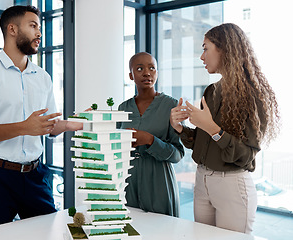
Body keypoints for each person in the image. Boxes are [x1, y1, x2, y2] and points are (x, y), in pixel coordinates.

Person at [0, 5, 81, 228]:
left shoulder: (43, 77)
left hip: (36, 176)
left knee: (47, 232)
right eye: (33, 26)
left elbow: (47, 126)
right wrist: (24, 127)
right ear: (12, 29)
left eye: (40, 27)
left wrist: (69, 125)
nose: (40, 33)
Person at [170, 23, 280, 234]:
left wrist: (212, 129)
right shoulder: (212, 91)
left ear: (224, 49)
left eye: (205, 48)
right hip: (202, 181)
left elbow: (245, 156)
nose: (201, 57)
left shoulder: (253, 96)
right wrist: (180, 128)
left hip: (231, 185)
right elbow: (203, 144)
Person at [117, 52, 184, 217]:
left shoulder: (171, 105)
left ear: (157, 73)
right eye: (139, 69)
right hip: (128, 185)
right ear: (131, 75)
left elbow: (178, 154)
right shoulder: (122, 108)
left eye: (152, 68)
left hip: (159, 185)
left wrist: (150, 140)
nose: (147, 73)